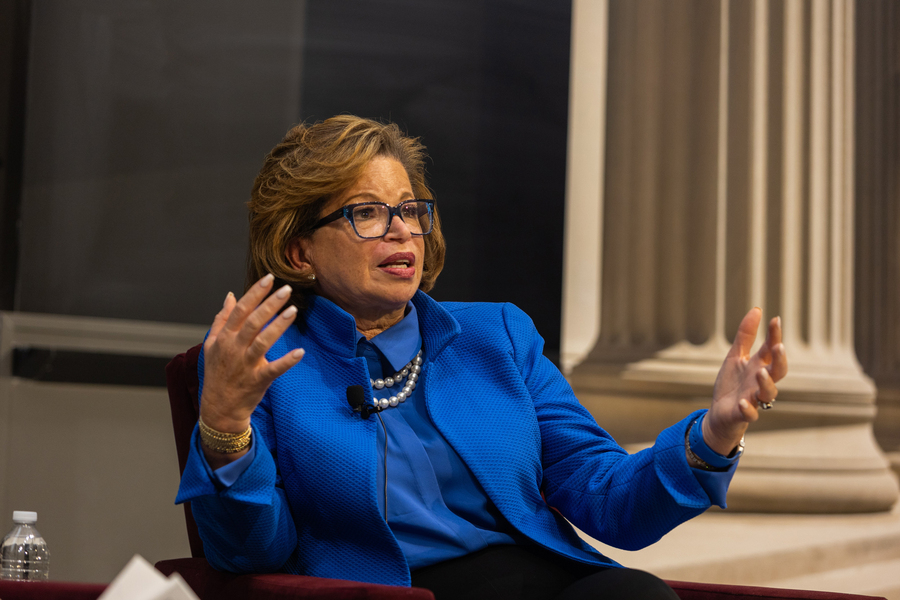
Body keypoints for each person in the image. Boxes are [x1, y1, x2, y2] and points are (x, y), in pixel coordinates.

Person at [176, 115, 787, 600]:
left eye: (411, 210)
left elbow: (607, 498)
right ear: (299, 251)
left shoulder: (497, 336)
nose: (402, 232)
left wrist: (712, 434)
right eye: (366, 213)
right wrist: (226, 429)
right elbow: (250, 554)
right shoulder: (256, 363)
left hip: (543, 583)